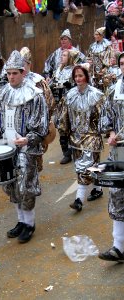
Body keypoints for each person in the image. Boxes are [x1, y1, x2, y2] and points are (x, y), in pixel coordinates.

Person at [0, 50, 49, 243]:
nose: (11, 77)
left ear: (22, 73)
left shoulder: (35, 95)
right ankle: (20, 221)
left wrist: (29, 139)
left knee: (25, 185)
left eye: (15, 73)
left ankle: (30, 223)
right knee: (10, 184)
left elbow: (41, 125)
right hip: (7, 146)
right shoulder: (2, 93)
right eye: (8, 73)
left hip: (26, 148)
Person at [58, 65, 106, 212]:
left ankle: (79, 200)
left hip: (92, 137)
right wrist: (63, 135)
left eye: (81, 75)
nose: (78, 79)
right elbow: (64, 115)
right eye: (76, 76)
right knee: (86, 167)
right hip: (76, 138)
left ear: (86, 76)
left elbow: (104, 116)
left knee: (86, 168)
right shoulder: (70, 95)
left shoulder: (97, 95)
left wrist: (105, 131)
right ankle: (97, 189)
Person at [98, 52, 124, 262]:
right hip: (119, 152)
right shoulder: (113, 91)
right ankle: (119, 246)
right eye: (122, 63)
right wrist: (111, 133)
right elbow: (106, 116)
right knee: (117, 195)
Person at [20, 46, 55, 171]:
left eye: (23, 64)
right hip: (18, 128)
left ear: (29, 64)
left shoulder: (38, 81)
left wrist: (41, 124)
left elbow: (49, 103)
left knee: (34, 159)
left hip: (34, 127)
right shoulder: (15, 81)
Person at [49, 49, 78, 164]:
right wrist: (52, 85)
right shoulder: (58, 70)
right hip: (59, 103)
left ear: (70, 57)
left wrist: (70, 85)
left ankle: (75, 150)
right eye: (61, 55)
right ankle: (66, 153)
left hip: (71, 103)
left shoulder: (74, 70)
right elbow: (52, 82)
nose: (62, 57)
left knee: (73, 127)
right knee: (61, 128)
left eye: (65, 55)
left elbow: (80, 83)